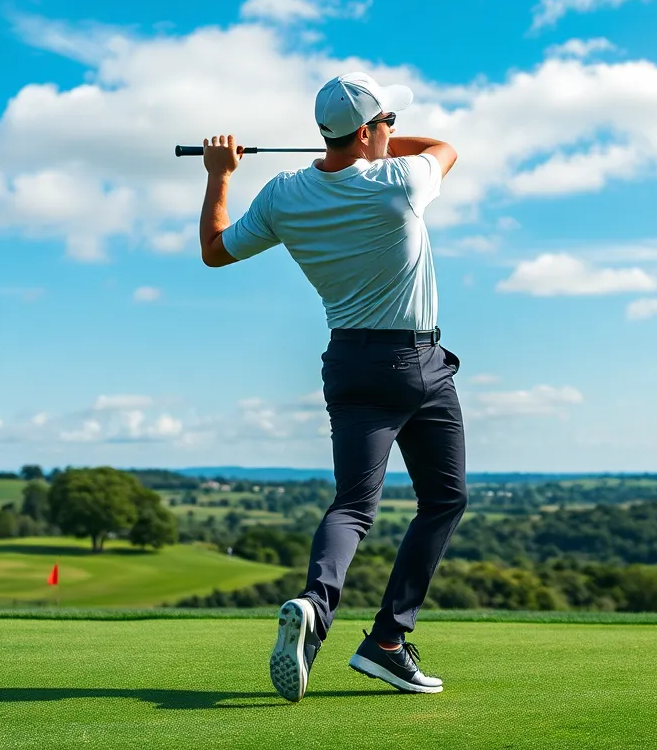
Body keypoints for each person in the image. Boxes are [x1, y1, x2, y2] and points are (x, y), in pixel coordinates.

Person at [197, 72, 466, 702]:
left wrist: (219, 172)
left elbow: (214, 251)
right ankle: (387, 641)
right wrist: (382, 142)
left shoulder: (284, 195)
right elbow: (446, 147)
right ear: (372, 131)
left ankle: (317, 608)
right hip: (418, 361)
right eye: (387, 121)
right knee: (444, 500)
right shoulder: (400, 181)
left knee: (353, 505)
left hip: (349, 363)